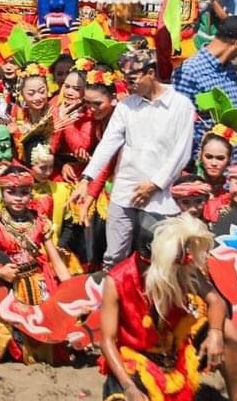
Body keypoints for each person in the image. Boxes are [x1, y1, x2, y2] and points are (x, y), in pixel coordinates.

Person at [98, 214, 237, 401]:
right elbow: (107, 341)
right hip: (138, 354)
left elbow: (216, 301)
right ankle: (143, 397)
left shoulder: (182, 268)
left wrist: (215, 334)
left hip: (177, 347)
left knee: (228, 330)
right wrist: (129, 386)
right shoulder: (116, 280)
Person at [74, 50, 195, 268]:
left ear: (150, 73)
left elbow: (182, 153)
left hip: (160, 197)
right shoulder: (126, 106)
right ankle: (112, 298)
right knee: (114, 257)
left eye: (132, 81)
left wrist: (155, 184)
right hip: (124, 193)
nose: (128, 87)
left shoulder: (180, 105)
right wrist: (86, 178)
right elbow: (108, 144)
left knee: (159, 258)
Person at [0, 167, 72, 365]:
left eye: (24, 192)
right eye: (11, 192)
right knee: (8, 335)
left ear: (31, 193)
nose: (18, 198)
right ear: (2, 194)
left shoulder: (40, 222)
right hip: (7, 286)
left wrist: (73, 291)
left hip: (39, 283)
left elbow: (55, 260)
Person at [173, 15, 237, 152]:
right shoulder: (189, 71)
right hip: (200, 160)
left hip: (230, 159)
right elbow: (177, 122)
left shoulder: (230, 71)